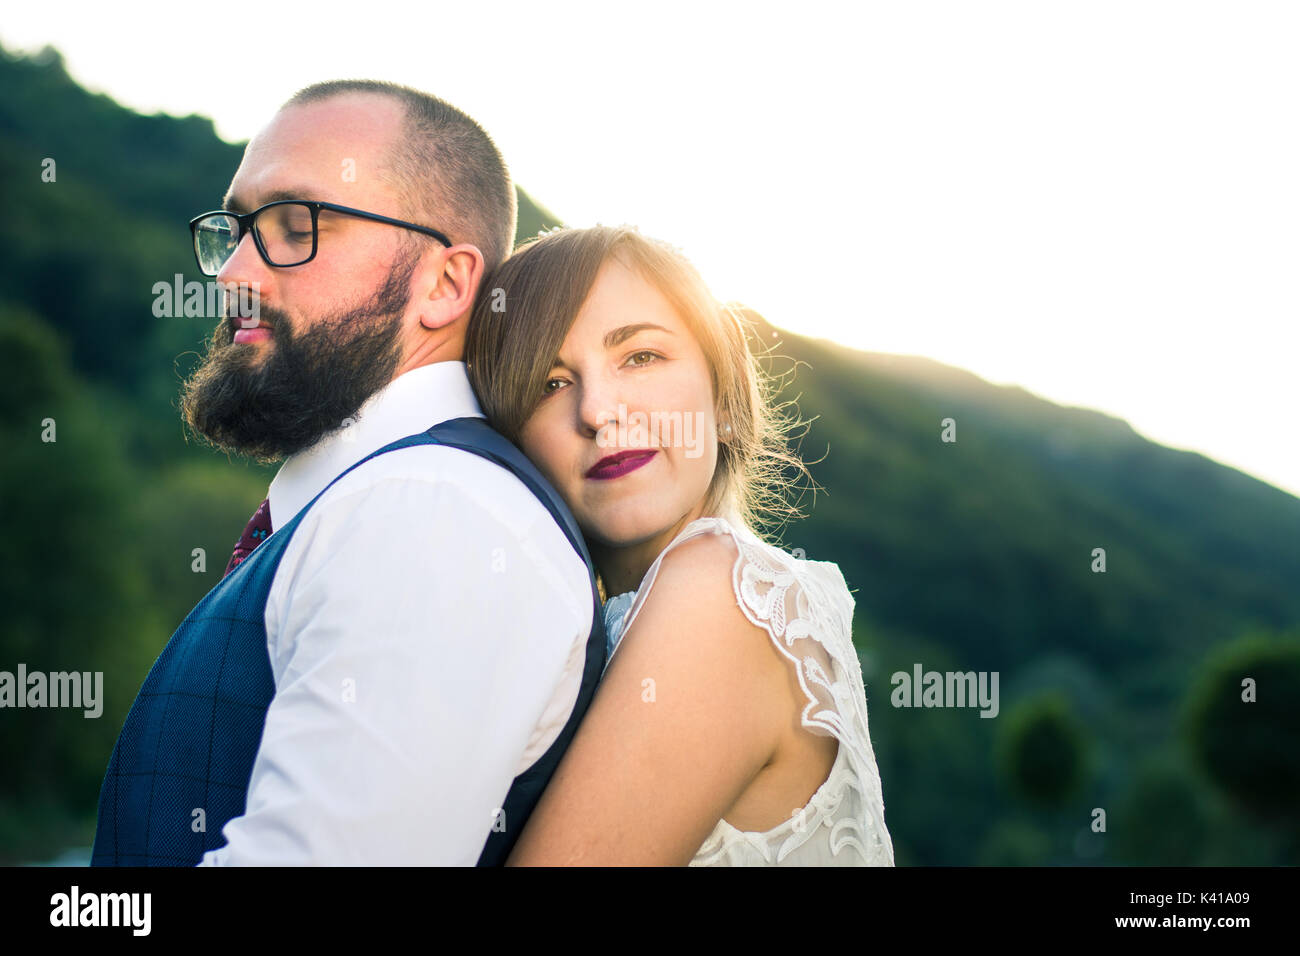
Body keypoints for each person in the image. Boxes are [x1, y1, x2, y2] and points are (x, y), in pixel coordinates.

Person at [91, 81, 606, 866]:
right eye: (232, 230)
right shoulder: (379, 503)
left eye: (295, 226)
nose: (231, 273)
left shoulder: (438, 513)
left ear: (446, 283)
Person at [464, 225, 896, 865]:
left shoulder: (717, 594)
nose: (598, 411)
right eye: (550, 383)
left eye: (640, 356)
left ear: (723, 398)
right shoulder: (661, 602)